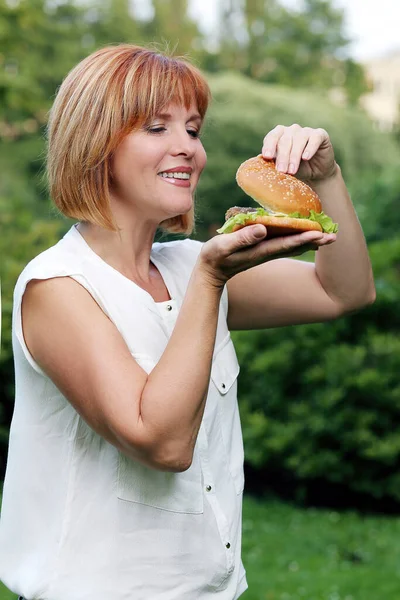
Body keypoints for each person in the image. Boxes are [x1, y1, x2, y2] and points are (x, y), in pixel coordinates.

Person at [0, 44, 375, 600]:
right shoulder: (58, 287)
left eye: (193, 130)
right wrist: (211, 280)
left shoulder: (185, 265)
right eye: (157, 128)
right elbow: (164, 444)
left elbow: (342, 290)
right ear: (95, 142)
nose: (188, 150)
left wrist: (327, 178)